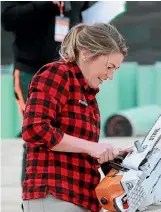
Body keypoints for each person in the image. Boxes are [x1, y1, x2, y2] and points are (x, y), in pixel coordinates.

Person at [21, 22, 129, 212]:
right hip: (56, 196)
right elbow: (34, 128)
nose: (110, 76)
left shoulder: (88, 95)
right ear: (87, 53)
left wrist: (111, 154)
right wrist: (92, 147)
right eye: (109, 66)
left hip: (82, 199)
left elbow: (79, 148)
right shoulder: (57, 74)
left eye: (115, 69)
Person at [1, 0, 96, 190]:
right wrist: (44, 4)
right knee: (37, 131)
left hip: (66, 70)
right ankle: (32, 197)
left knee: (71, 132)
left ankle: (67, 191)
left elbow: (83, 12)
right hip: (31, 70)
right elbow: (7, 19)